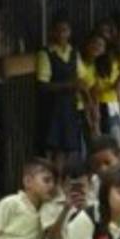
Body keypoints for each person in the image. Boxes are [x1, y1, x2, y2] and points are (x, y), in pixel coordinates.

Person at [34, 11, 85, 167]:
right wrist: (69, 85)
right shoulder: (46, 54)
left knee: (67, 148)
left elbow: (81, 78)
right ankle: (50, 178)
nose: (62, 34)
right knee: (51, 147)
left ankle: (60, 180)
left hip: (70, 106)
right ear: (52, 32)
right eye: (59, 30)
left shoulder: (74, 53)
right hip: (52, 107)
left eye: (65, 30)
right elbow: (43, 85)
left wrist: (88, 103)